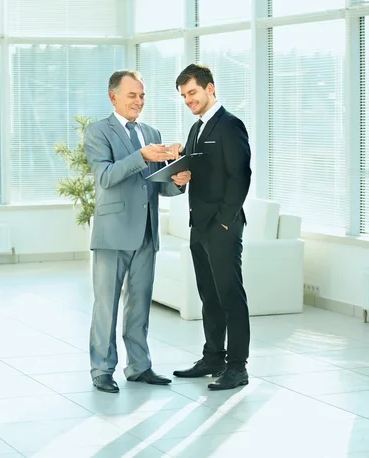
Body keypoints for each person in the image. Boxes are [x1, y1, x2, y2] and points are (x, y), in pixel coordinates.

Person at [84, 69, 191, 393]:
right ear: (113, 96)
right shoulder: (97, 132)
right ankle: (102, 369)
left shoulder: (151, 131)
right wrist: (140, 156)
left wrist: (178, 181)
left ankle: (139, 366)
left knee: (140, 303)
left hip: (146, 231)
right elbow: (105, 177)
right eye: (132, 95)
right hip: (113, 232)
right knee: (107, 304)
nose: (139, 101)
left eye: (142, 95)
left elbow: (158, 185)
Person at [171, 64, 252, 390]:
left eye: (192, 92)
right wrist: (179, 172)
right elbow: (197, 171)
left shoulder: (230, 125)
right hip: (199, 226)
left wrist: (222, 221)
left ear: (210, 88)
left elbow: (241, 176)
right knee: (209, 296)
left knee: (231, 296)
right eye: (184, 95)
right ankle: (213, 357)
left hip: (221, 226)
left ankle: (237, 367)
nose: (188, 100)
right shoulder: (196, 128)